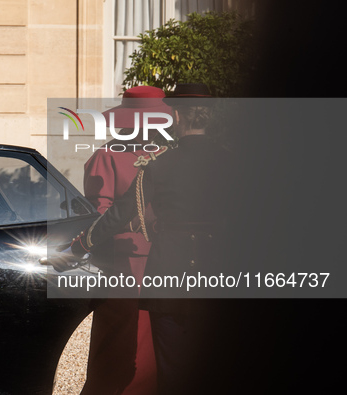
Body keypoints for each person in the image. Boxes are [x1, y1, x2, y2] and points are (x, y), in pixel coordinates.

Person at [68, 84, 234, 394]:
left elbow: (116, 215)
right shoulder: (229, 161)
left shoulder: (160, 161)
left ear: (174, 116)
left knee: (169, 361)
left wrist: (78, 246)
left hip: (164, 264)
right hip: (160, 262)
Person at [80, 86, 171, 395]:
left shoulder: (166, 158)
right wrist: (135, 221)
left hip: (163, 261)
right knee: (121, 347)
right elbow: (98, 216)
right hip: (124, 264)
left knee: (157, 347)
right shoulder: (105, 157)